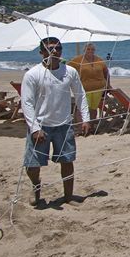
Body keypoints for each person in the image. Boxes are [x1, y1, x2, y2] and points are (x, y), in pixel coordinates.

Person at [21, 37, 91, 207]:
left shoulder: (70, 72)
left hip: (64, 125)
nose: (55, 51)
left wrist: (86, 118)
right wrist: (35, 128)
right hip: (40, 125)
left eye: (58, 48)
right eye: (50, 48)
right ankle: (36, 185)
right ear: (41, 52)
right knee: (32, 165)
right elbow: (27, 103)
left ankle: (68, 196)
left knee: (67, 161)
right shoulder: (32, 74)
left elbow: (80, 95)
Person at [67, 42, 111, 123]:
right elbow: (67, 69)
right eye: (88, 49)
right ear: (84, 50)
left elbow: (106, 72)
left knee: (93, 109)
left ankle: (91, 126)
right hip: (84, 89)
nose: (90, 51)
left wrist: (108, 84)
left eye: (92, 49)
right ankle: (81, 126)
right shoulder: (77, 60)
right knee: (82, 109)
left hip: (99, 89)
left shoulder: (99, 59)